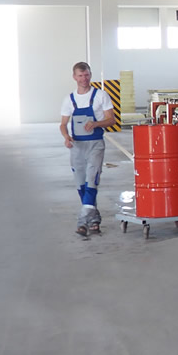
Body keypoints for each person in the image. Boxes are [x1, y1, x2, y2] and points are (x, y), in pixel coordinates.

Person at [59, 62, 115, 236]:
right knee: (81, 184)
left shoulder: (101, 96)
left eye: (86, 75)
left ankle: (82, 222)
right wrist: (66, 137)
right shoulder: (69, 99)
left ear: (90, 75)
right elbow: (63, 124)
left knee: (92, 180)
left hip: (95, 144)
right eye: (80, 75)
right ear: (74, 77)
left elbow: (111, 119)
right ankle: (94, 220)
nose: (84, 79)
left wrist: (96, 124)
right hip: (77, 146)